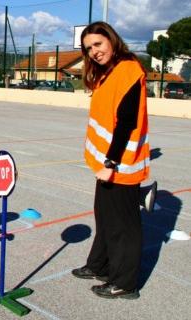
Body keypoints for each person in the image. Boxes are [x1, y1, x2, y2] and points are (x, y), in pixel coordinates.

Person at [71, 22, 151, 299]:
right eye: (89, 48)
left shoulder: (128, 69)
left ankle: (124, 283)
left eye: (98, 44)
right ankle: (99, 266)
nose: (94, 51)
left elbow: (127, 121)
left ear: (112, 40)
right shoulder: (108, 73)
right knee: (105, 219)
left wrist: (111, 163)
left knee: (123, 227)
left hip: (121, 164)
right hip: (108, 163)